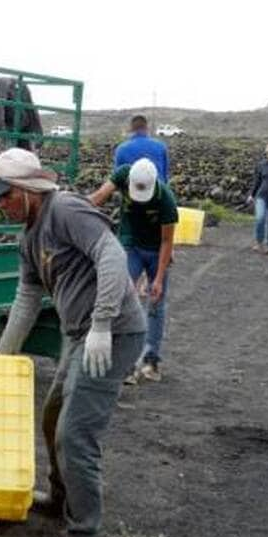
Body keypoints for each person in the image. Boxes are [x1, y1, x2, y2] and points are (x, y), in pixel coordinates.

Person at [0, 147, 146, 537]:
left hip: (113, 332)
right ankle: (60, 496)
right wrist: (1, 356)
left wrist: (104, 322)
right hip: (78, 335)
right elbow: (26, 299)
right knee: (53, 416)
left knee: (76, 433)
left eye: (4, 195)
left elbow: (110, 254)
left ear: (29, 190)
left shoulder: (65, 209)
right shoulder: (27, 237)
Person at [88, 158, 177, 383]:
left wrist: (156, 279)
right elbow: (97, 198)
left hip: (157, 249)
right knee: (122, 295)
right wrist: (72, 209)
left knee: (156, 304)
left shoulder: (165, 200)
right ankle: (125, 363)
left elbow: (167, 242)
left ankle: (151, 360)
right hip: (130, 244)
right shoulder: (122, 174)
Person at [113, 115, 170, 183]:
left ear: (131, 129)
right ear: (146, 127)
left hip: (132, 191)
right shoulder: (161, 146)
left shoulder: (121, 149)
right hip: (158, 190)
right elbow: (165, 174)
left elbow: (117, 178)